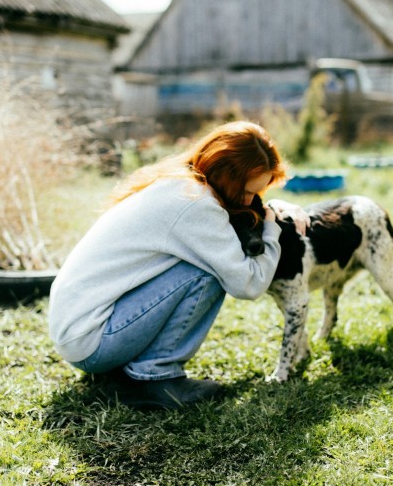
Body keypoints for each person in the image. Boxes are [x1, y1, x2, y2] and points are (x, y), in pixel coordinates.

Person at [48, 120, 309, 409]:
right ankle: (153, 377)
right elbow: (248, 284)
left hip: (79, 330)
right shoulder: (197, 204)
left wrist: (270, 207)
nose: (252, 201)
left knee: (207, 263)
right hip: (93, 342)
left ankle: (134, 370)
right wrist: (272, 228)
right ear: (227, 178)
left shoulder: (179, 183)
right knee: (207, 271)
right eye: (248, 192)